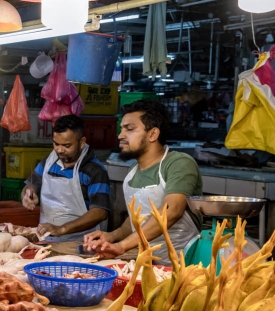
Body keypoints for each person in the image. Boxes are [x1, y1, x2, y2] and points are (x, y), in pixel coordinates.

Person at [84, 100, 202, 264]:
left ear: (153, 134)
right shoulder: (133, 172)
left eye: (129, 129)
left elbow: (172, 210)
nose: (120, 135)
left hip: (183, 265)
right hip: (147, 263)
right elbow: (137, 219)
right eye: (121, 129)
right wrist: (112, 236)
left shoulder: (178, 163)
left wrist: (122, 245)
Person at [21, 115, 111, 240]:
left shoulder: (94, 170)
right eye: (56, 144)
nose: (59, 150)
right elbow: (31, 186)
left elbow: (100, 212)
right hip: (46, 239)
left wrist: (61, 229)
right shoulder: (48, 162)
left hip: (81, 243)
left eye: (67, 146)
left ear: (82, 142)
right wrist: (28, 194)